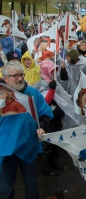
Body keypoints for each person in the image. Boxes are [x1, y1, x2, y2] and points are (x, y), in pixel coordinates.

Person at [0, 60, 53, 199]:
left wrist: (42, 127)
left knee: (31, 183)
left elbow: (45, 114)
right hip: (6, 149)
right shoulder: (1, 96)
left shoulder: (32, 93)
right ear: (6, 78)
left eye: (21, 75)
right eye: (15, 76)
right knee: (6, 186)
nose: (20, 78)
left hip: (28, 145)